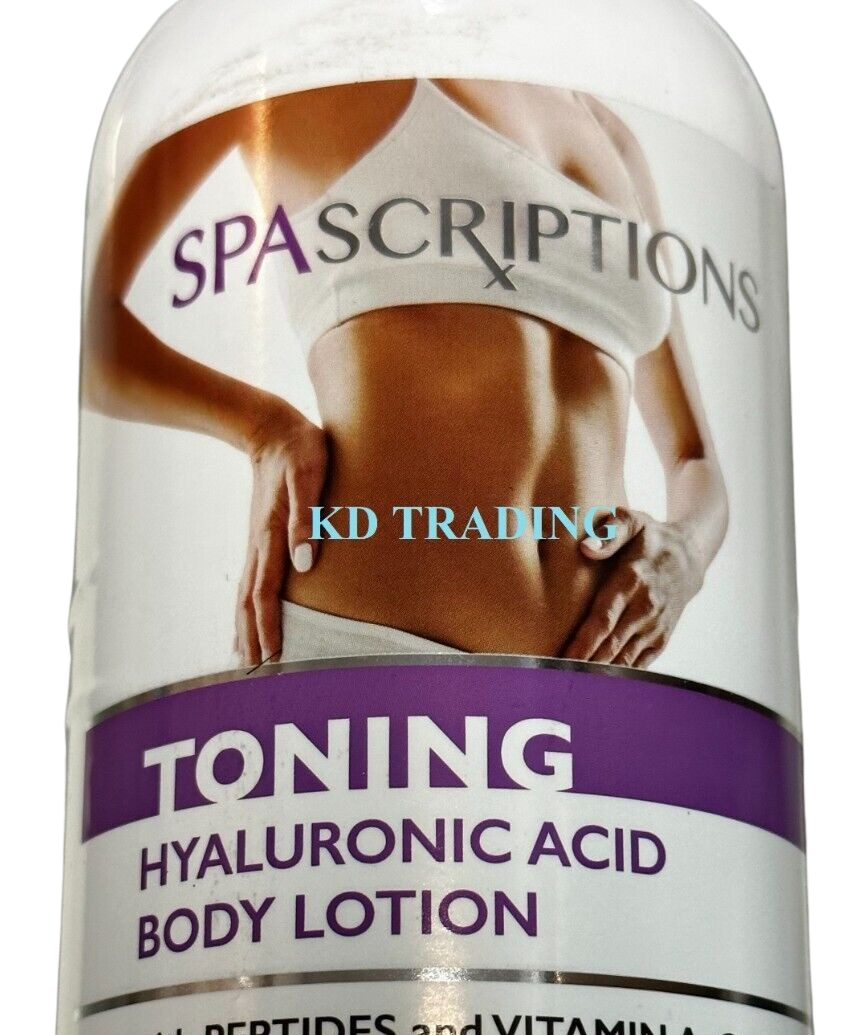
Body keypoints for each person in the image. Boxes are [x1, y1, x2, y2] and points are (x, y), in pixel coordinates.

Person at [86, 78, 728, 666]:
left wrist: (687, 551)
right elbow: (93, 339)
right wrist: (264, 428)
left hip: (597, 677)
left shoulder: (612, 135)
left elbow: (694, 458)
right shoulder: (309, 65)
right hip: (362, 649)